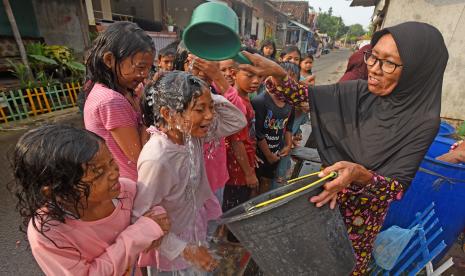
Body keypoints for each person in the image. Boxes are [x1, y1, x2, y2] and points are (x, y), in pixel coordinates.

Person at [237, 21, 448, 275]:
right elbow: (306, 97)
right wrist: (279, 74)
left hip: (359, 223)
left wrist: (359, 174)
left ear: (417, 70)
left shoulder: (422, 121)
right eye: (373, 57)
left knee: (341, 267)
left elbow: (396, 188)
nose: (374, 69)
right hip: (322, 202)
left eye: (388, 63)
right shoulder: (358, 92)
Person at [11, 124, 169, 275]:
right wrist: (140, 234)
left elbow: (151, 209)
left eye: (111, 162)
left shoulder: (125, 191)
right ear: (56, 190)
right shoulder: (49, 232)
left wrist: (155, 219)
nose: (114, 174)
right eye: (99, 172)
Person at [134, 71, 247, 275]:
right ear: (168, 114)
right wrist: (185, 250)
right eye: (200, 109)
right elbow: (139, 218)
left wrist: (205, 95)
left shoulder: (191, 135)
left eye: (211, 108)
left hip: (193, 223)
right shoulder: (157, 159)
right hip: (171, 245)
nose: (210, 116)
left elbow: (237, 121)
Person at [83, 22, 154, 182]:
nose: (144, 75)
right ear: (109, 60)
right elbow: (139, 155)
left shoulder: (125, 89)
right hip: (131, 186)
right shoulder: (111, 101)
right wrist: (147, 111)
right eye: (140, 67)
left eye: (149, 68)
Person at [222, 64, 261, 241]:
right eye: (249, 75)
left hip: (244, 164)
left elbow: (246, 137)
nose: (256, 81)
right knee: (235, 216)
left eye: (259, 76)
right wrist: (249, 173)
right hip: (237, 171)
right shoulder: (236, 101)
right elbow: (236, 142)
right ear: (233, 73)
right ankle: (232, 254)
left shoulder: (245, 98)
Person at [252, 62, 295, 194]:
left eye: (290, 81)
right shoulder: (260, 101)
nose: (285, 84)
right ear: (271, 78)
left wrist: (288, 145)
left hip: (275, 152)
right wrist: (268, 155)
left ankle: (262, 208)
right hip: (259, 153)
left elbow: (288, 126)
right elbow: (258, 133)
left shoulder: (290, 102)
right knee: (255, 183)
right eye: (281, 79)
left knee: (267, 181)